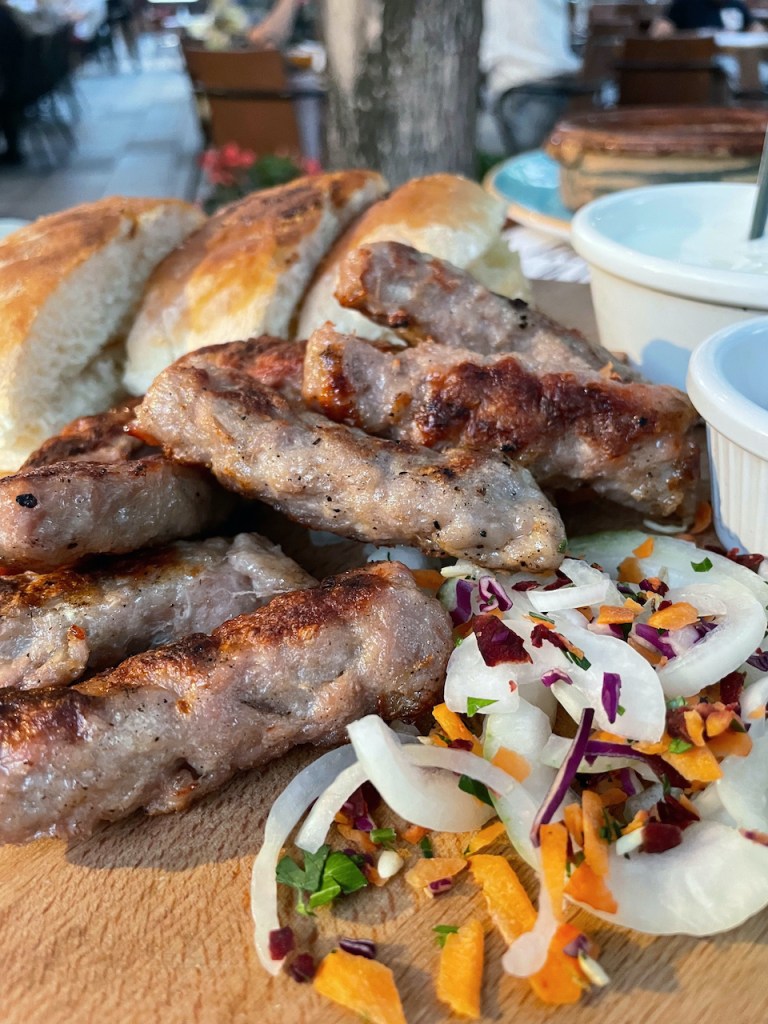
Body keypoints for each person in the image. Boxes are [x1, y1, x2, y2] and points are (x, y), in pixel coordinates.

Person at [650, 0, 760, 36]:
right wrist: (663, 27)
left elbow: (754, 26)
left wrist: (757, 30)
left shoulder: (736, 5)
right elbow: (662, 25)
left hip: (732, 59)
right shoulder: (686, 3)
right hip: (696, 60)